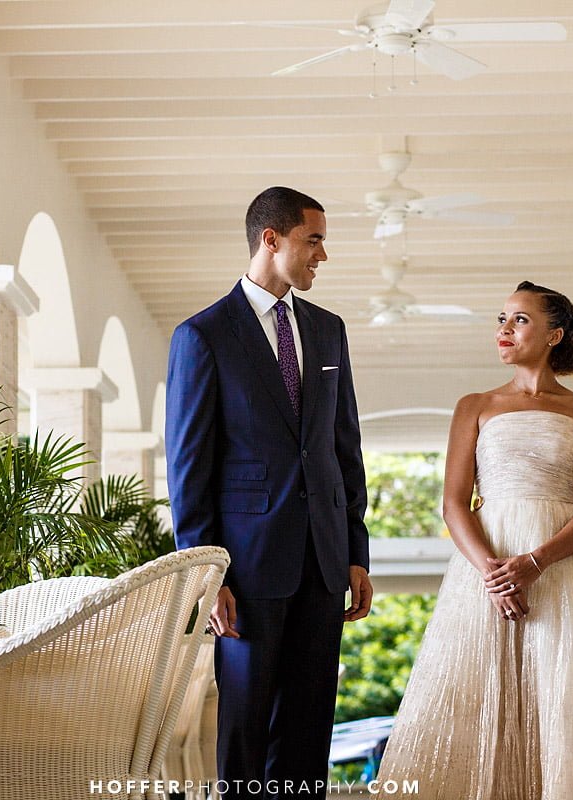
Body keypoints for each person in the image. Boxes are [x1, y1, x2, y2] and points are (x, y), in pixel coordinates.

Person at [375, 282, 573, 799]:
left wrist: (534, 563)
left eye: (519, 320)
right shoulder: (474, 406)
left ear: (554, 334)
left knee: (564, 695)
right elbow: (454, 504)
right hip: (486, 573)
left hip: (566, 568)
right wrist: (495, 574)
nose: (504, 329)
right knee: (485, 696)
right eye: (501, 318)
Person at [164, 186, 374, 799]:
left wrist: (355, 552)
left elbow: (344, 448)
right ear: (271, 239)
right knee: (247, 722)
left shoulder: (328, 331)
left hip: (323, 557)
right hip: (247, 567)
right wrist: (207, 574)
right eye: (314, 240)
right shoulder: (202, 336)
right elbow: (189, 468)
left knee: (310, 724)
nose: (323, 256)